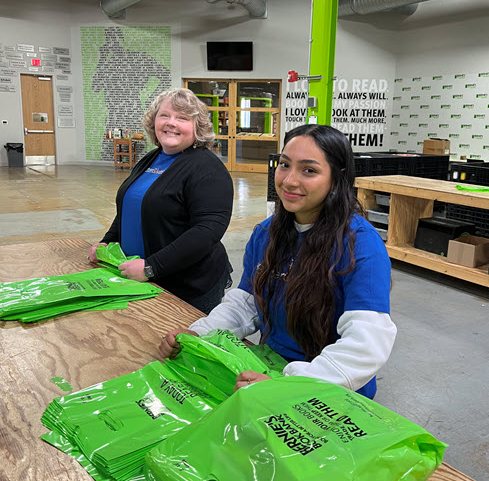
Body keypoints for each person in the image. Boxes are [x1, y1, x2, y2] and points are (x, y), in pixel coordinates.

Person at [159, 123, 396, 399]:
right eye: (284, 165)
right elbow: (245, 302)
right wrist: (199, 334)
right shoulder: (267, 233)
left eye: (309, 170)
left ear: (337, 177)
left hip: (329, 388)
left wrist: (287, 385)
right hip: (267, 370)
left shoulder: (361, 245)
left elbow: (366, 344)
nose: (289, 180)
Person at [89, 88, 234, 313]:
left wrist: (151, 267)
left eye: (182, 118)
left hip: (188, 286)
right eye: (164, 115)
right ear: (153, 121)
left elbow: (207, 230)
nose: (171, 123)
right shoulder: (152, 158)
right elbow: (130, 209)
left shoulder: (207, 168)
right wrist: (107, 241)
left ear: (198, 127)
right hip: (142, 278)